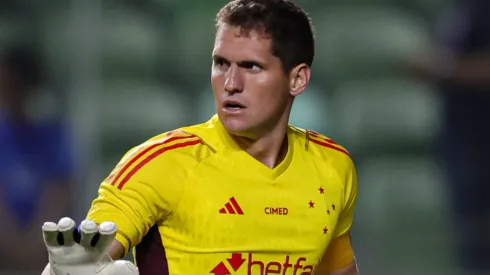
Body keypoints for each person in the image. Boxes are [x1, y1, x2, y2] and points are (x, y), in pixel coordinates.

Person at [42, 1, 359, 274]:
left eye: (251, 66)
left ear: (297, 79)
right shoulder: (160, 163)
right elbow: (81, 258)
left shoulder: (333, 166)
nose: (231, 83)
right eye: (221, 63)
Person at [407, 0, 490, 274]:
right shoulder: (462, 8)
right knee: (466, 233)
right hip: (460, 132)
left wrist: (445, 71)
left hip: (481, 136)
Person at [0, 44, 74, 270]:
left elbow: (60, 196)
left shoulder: (55, 137)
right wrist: (11, 246)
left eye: (14, 86)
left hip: (45, 254)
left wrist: (34, 247)